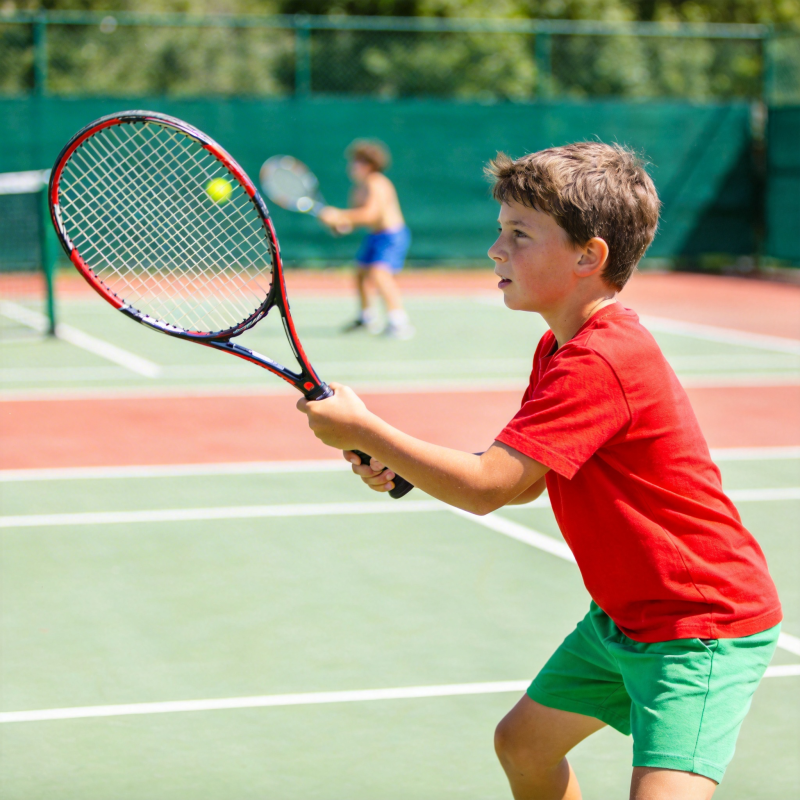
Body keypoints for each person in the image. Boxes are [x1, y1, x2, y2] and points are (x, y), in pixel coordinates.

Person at [297, 141, 782, 799]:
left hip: (698, 631)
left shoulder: (600, 360)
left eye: (519, 235)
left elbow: (488, 488)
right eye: (501, 231)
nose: (496, 249)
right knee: (523, 745)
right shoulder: (560, 347)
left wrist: (365, 429)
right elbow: (524, 482)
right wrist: (402, 464)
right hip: (624, 617)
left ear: (589, 256)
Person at [318, 140, 414, 340]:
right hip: (375, 236)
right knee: (361, 272)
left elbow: (371, 214)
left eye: (357, 162)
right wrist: (339, 224)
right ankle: (366, 317)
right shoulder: (358, 189)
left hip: (392, 236)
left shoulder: (377, 183)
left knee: (380, 273)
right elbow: (355, 220)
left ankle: (399, 322)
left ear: (369, 164)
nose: (351, 166)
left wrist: (339, 214)